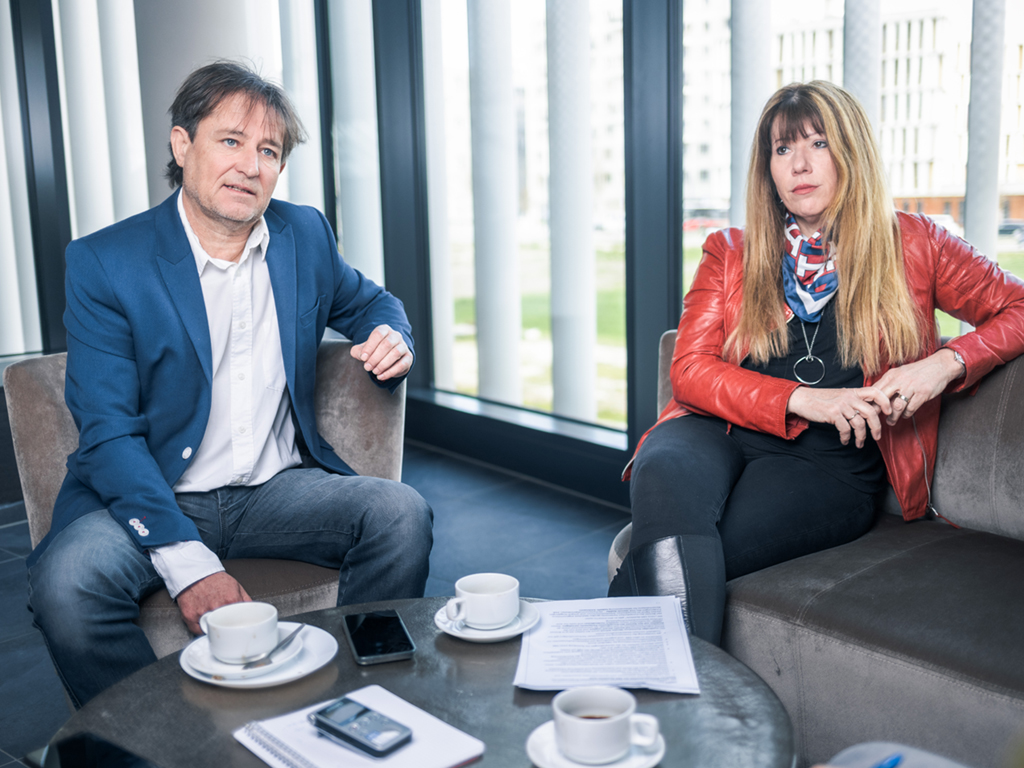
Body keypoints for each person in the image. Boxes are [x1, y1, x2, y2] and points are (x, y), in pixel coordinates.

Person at [26, 61, 433, 707]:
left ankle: (361, 707)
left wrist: (395, 337)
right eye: (230, 140)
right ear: (182, 144)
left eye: (267, 150)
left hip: (274, 491)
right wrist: (191, 568)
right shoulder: (105, 261)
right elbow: (107, 433)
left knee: (399, 514)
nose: (250, 164)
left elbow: (374, 303)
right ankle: (149, 744)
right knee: (68, 583)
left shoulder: (304, 235)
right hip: (156, 492)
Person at [609, 80, 1024, 645]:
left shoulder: (916, 242)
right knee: (663, 475)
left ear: (850, 152)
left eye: (818, 144)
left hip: (826, 464)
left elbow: (1017, 305)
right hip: (713, 430)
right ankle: (674, 713)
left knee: (668, 557)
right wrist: (802, 398)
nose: (799, 164)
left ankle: (615, 692)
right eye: (782, 149)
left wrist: (945, 363)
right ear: (768, 169)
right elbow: (691, 371)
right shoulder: (731, 252)